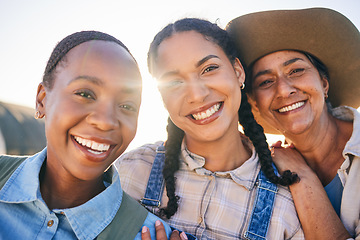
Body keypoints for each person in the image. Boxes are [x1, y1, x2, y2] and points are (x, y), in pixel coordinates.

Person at [115, 18, 304, 239]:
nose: (197, 95)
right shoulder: (130, 173)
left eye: (209, 69)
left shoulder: (288, 204)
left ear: (237, 71)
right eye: (174, 82)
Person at [0, 30, 174, 240]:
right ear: (42, 100)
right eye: (85, 94)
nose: (106, 121)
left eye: (127, 106)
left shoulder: (149, 235)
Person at [226, 7, 360, 240]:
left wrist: (300, 175)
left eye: (296, 70)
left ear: (324, 84)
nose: (284, 89)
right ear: (255, 104)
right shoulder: (262, 172)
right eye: (266, 81)